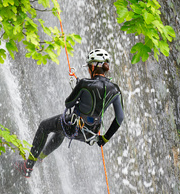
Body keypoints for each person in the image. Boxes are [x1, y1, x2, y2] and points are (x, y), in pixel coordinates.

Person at [16, 49, 124, 178]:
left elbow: (68, 103)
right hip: (90, 134)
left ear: (94, 66)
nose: (89, 70)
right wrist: (104, 138)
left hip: (73, 127)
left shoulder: (84, 83)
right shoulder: (115, 90)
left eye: (89, 67)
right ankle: (40, 158)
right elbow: (119, 118)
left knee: (44, 126)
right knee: (59, 133)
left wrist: (76, 87)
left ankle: (28, 166)